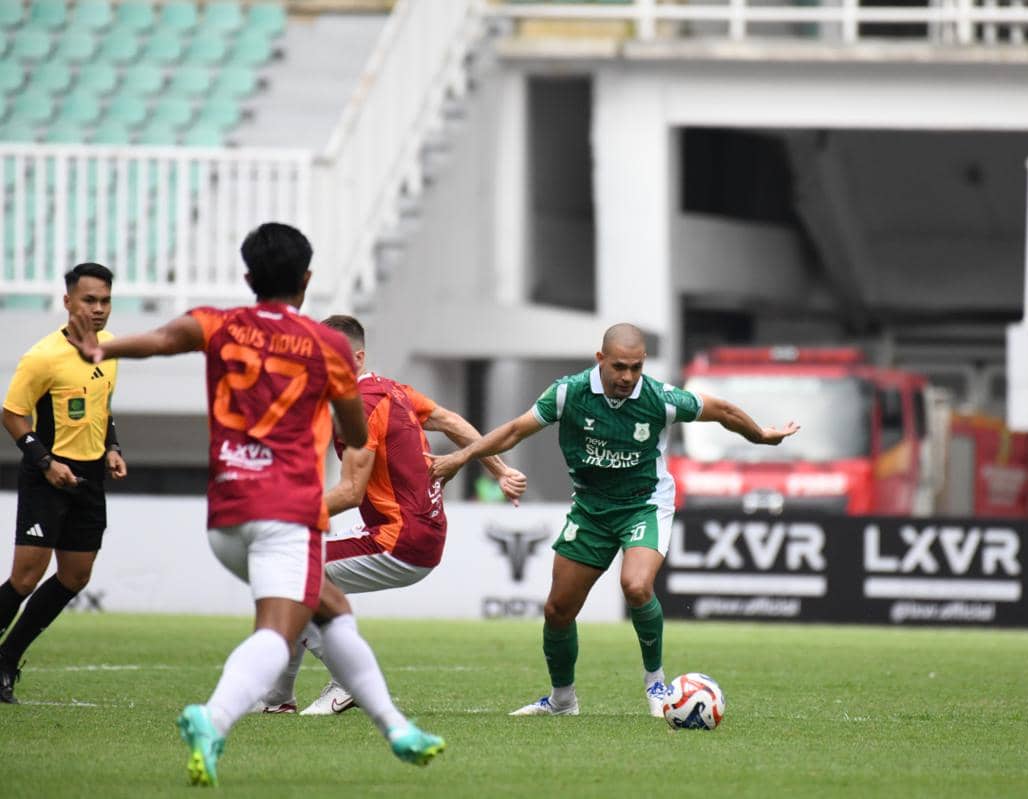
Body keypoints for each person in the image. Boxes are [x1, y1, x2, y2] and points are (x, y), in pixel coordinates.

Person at [65, 223, 444, 785]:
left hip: (225, 515)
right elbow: (355, 429)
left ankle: (396, 727)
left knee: (330, 608)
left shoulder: (219, 324)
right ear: (307, 279)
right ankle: (213, 720)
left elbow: (165, 339)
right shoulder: (328, 345)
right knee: (278, 628)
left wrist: (102, 346)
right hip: (286, 512)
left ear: (248, 277)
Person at [428, 323, 798, 717]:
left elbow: (721, 410)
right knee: (557, 611)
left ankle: (656, 684)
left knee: (636, 586)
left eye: (636, 368)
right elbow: (516, 430)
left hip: (645, 503)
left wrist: (760, 436)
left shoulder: (659, 398)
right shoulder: (569, 393)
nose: (627, 377)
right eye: (620, 366)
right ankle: (562, 701)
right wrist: (461, 457)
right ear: (600, 359)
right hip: (590, 509)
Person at [258, 313, 527, 716]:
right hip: (417, 532)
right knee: (300, 574)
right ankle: (279, 700)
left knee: (293, 573)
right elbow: (452, 422)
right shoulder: (391, 391)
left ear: (358, 359)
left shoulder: (362, 408)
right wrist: (501, 469)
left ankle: (345, 682)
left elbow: (351, 493)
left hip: (399, 539)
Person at [0, 263, 128, 704]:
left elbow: (102, 404)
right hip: (47, 474)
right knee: (25, 577)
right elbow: (12, 414)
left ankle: (7, 658)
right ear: (68, 302)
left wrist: (111, 446)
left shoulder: (109, 348)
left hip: (90, 476)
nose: (98, 309)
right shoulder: (42, 357)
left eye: (105, 301)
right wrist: (45, 461)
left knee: (75, 576)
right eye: (89, 300)